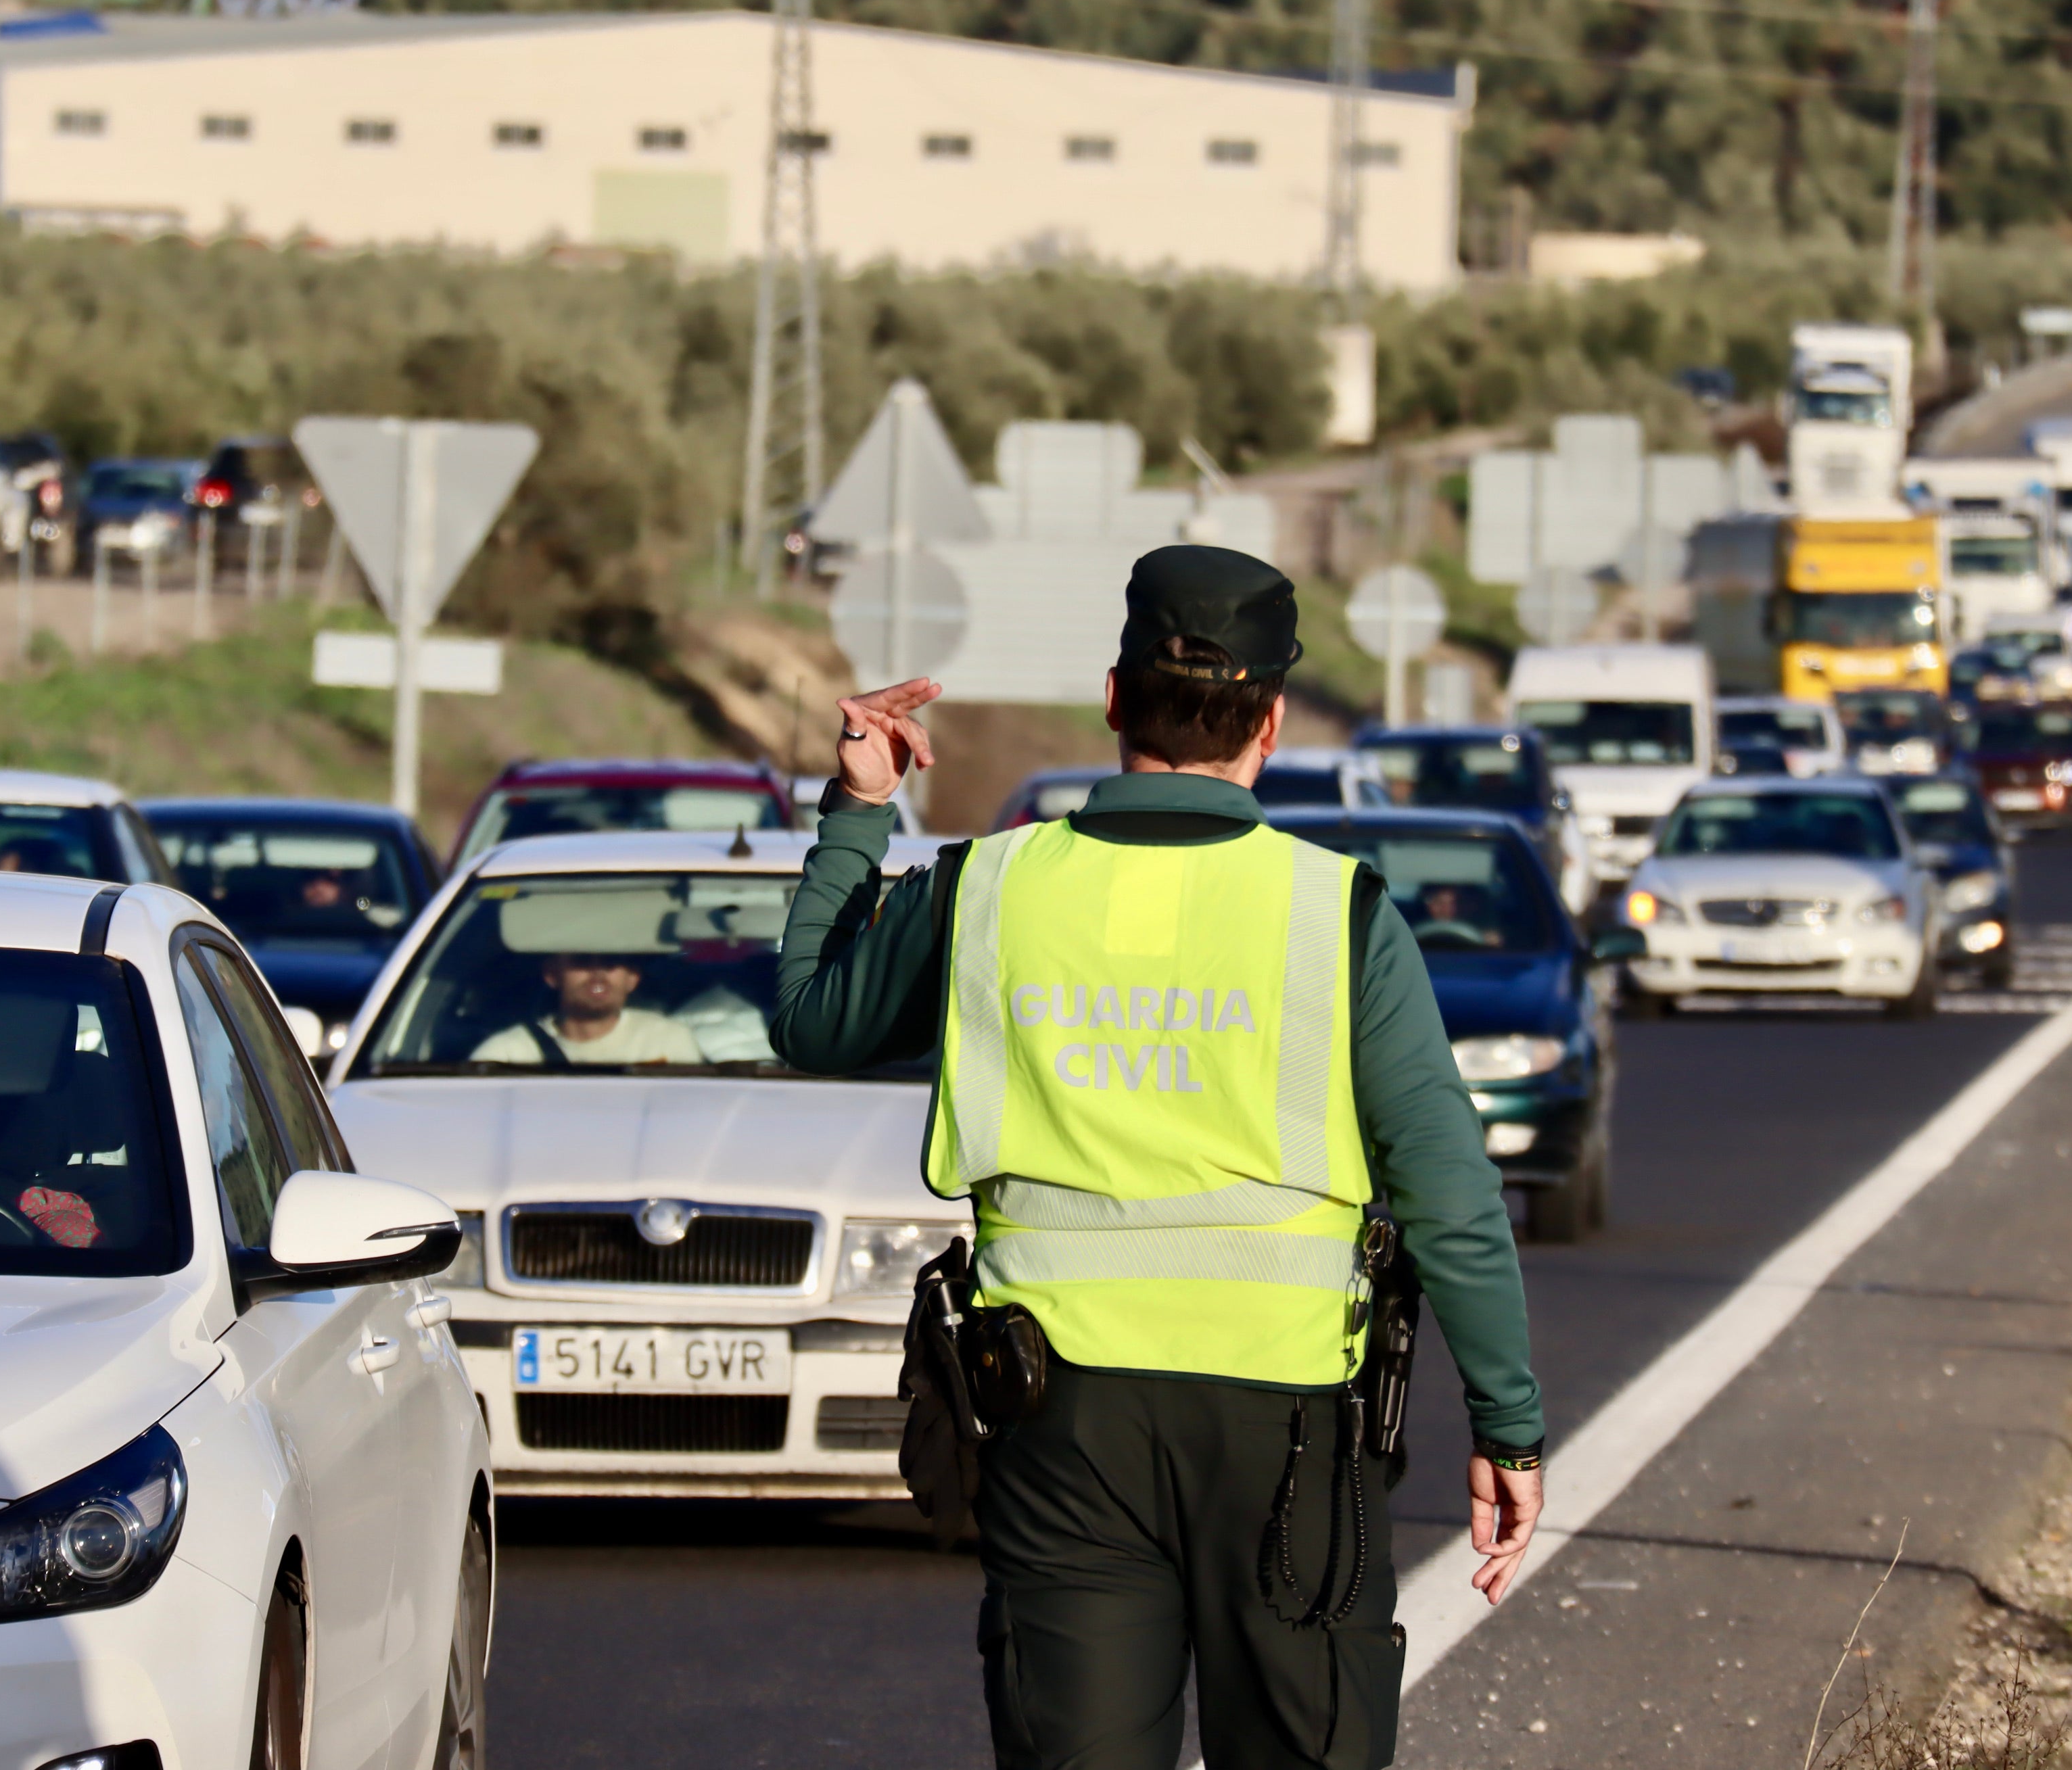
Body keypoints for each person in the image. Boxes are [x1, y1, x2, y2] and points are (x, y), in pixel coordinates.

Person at [772, 544, 1544, 1770]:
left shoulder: (985, 888)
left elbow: (812, 1020)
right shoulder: (1335, 912)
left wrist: (860, 813)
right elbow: (1449, 1190)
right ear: (1271, 721)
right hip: (1289, 1422)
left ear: (1114, 700)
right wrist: (1506, 1425)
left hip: (1057, 1416)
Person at [469, 951, 703, 1066]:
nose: (598, 974)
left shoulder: (668, 1040)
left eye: (611, 962)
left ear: (632, 978)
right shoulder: (507, 1054)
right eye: (582, 961)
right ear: (552, 975)